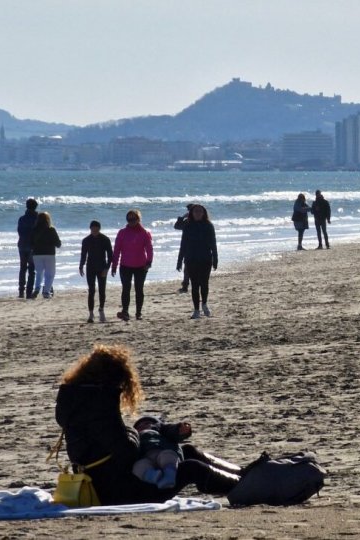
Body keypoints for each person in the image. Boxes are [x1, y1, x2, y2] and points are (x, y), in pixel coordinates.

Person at [55, 344, 242, 505]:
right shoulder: (99, 404)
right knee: (191, 468)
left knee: (188, 451)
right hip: (115, 491)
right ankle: (242, 487)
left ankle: (241, 475)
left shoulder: (75, 399)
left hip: (101, 481)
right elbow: (126, 451)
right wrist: (134, 432)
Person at [111, 209, 153, 321]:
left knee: (139, 289)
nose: (131, 221)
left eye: (133, 219)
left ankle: (138, 313)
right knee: (126, 289)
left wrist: (149, 262)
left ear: (138, 219)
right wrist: (114, 265)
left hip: (141, 266)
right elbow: (117, 250)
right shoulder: (122, 233)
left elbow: (149, 249)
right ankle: (125, 312)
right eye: (129, 219)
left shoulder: (144, 233)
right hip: (125, 266)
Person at [177, 204, 218, 319]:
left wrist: (215, 259)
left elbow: (213, 244)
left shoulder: (209, 226)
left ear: (204, 213)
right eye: (195, 211)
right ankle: (196, 310)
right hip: (191, 259)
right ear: (192, 213)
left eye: (200, 211)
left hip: (205, 259)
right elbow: (183, 244)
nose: (198, 213)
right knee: (194, 285)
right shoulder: (187, 225)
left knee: (204, 283)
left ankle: (204, 304)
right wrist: (179, 261)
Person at [131, 416, 191, 489]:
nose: (142, 425)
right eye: (138, 426)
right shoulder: (135, 437)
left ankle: (169, 475)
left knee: (168, 455)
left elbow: (171, 430)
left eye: (147, 423)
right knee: (138, 466)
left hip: (162, 450)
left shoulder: (161, 430)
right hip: (146, 457)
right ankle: (155, 477)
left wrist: (180, 429)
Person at [79, 220, 113, 323]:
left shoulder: (105, 239)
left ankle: (101, 311)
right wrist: (81, 266)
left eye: (96, 229)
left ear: (99, 229)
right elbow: (83, 254)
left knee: (102, 290)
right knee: (91, 290)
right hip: (90, 268)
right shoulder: (86, 240)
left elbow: (110, 256)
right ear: (90, 229)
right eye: (92, 229)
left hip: (102, 267)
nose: (94, 231)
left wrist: (107, 268)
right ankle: (91, 314)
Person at [31, 212, 62, 299]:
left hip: (37, 254)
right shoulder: (51, 230)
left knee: (39, 272)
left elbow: (31, 243)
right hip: (49, 254)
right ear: (48, 220)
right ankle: (46, 291)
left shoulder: (34, 230)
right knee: (50, 274)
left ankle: (37, 288)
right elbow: (58, 244)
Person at [17, 198, 39, 299]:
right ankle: (29, 293)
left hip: (22, 245)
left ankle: (21, 291)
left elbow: (20, 232)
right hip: (32, 246)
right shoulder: (37, 219)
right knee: (31, 269)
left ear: (26, 206)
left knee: (23, 268)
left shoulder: (21, 218)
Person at [173, 204, 193, 293]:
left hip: (192, 248)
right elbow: (176, 226)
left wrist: (182, 217)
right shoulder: (186, 222)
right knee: (187, 269)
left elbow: (177, 226)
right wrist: (182, 217)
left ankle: (186, 286)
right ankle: (185, 286)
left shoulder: (189, 222)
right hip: (187, 248)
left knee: (189, 270)